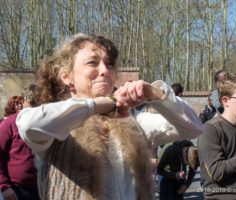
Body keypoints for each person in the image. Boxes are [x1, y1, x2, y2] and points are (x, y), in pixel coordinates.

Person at [16, 33, 203, 200]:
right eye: (92, 62)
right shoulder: (57, 124)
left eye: (110, 64)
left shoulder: (133, 121)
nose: (105, 70)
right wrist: (106, 104)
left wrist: (154, 93)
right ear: (67, 76)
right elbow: (28, 125)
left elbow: (193, 127)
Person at [0, 84, 39, 200]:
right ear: (23, 101)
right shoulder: (9, 124)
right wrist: (4, 186)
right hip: (16, 190)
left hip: (42, 186)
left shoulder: (45, 122)